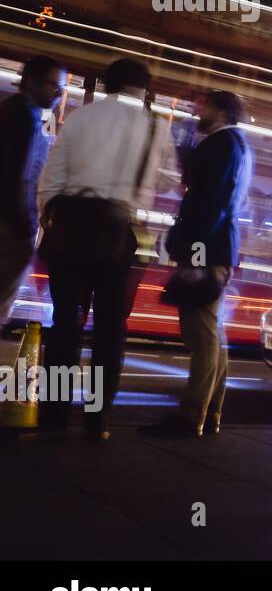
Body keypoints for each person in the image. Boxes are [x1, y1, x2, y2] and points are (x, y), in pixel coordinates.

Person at [37, 58, 171, 441]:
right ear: (143, 90)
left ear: (108, 84)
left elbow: (52, 180)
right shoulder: (155, 128)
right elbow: (158, 184)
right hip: (120, 232)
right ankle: (98, 420)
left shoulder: (81, 118)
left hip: (74, 227)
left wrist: (48, 220)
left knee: (65, 325)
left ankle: (55, 418)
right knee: (111, 329)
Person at [142, 91, 252, 438]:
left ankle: (192, 416)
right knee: (212, 335)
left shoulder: (222, 145)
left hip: (208, 248)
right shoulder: (236, 145)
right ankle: (210, 412)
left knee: (201, 335)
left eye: (203, 105)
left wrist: (198, 258)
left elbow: (210, 205)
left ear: (221, 111)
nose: (196, 110)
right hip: (218, 247)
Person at [0, 55, 65, 321]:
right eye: (52, 85)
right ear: (31, 82)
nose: (58, 92)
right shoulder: (23, 115)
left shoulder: (18, 111)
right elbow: (17, 173)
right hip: (9, 225)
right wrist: (24, 224)